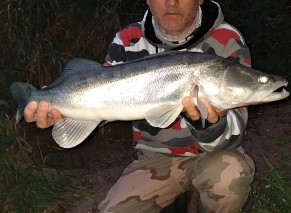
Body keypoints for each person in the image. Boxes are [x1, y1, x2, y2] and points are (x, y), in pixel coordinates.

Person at [24, 0, 255, 212]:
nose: (171, 2)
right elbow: (102, 102)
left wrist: (209, 123)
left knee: (228, 177)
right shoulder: (128, 39)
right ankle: (174, 200)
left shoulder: (227, 38)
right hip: (154, 159)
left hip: (214, 155)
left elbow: (233, 137)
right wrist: (62, 112)